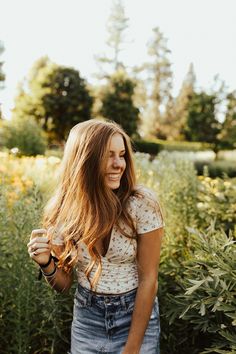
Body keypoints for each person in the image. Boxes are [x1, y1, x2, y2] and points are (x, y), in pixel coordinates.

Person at [27, 120, 164, 354]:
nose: (119, 164)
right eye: (108, 155)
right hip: (87, 319)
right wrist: (46, 263)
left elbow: (149, 279)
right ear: (85, 160)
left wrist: (131, 349)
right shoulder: (64, 211)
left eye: (122, 155)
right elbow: (63, 284)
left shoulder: (141, 204)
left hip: (135, 316)